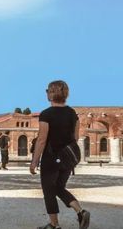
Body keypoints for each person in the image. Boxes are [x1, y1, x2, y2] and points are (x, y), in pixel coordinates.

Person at [30, 80, 90, 229]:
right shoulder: (72, 113)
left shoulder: (46, 114)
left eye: (47, 91)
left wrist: (34, 161)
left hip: (51, 158)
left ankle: (54, 225)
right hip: (69, 157)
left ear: (51, 94)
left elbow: (42, 140)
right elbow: (75, 138)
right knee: (59, 187)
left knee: (49, 190)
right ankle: (80, 212)